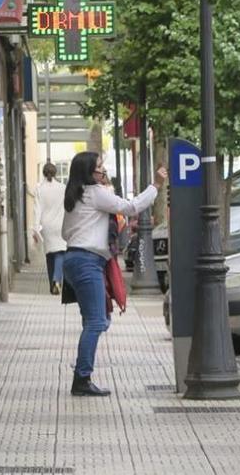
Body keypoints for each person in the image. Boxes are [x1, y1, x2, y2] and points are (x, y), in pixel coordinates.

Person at [62, 152, 166, 397]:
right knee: (97, 321)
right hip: (88, 261)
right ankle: (82, 378)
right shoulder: (95, 193)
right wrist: (156, 186)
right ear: (89, 172)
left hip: (76, 259)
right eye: (99, 168)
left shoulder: (74, 197)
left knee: (95, 320)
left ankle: (82, 365)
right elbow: (130, 207)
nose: (102, 171)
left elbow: (66, 233)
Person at [33, 163, 67, 295]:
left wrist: (36, 228)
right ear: (55, 173)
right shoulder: (62, 188)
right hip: (60, 223)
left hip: (46, 225)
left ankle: (51, 282)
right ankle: (57, 280)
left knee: (49, 254)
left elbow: (37, 209)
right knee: (60, 253)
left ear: (43, 173)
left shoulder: (39, 189)